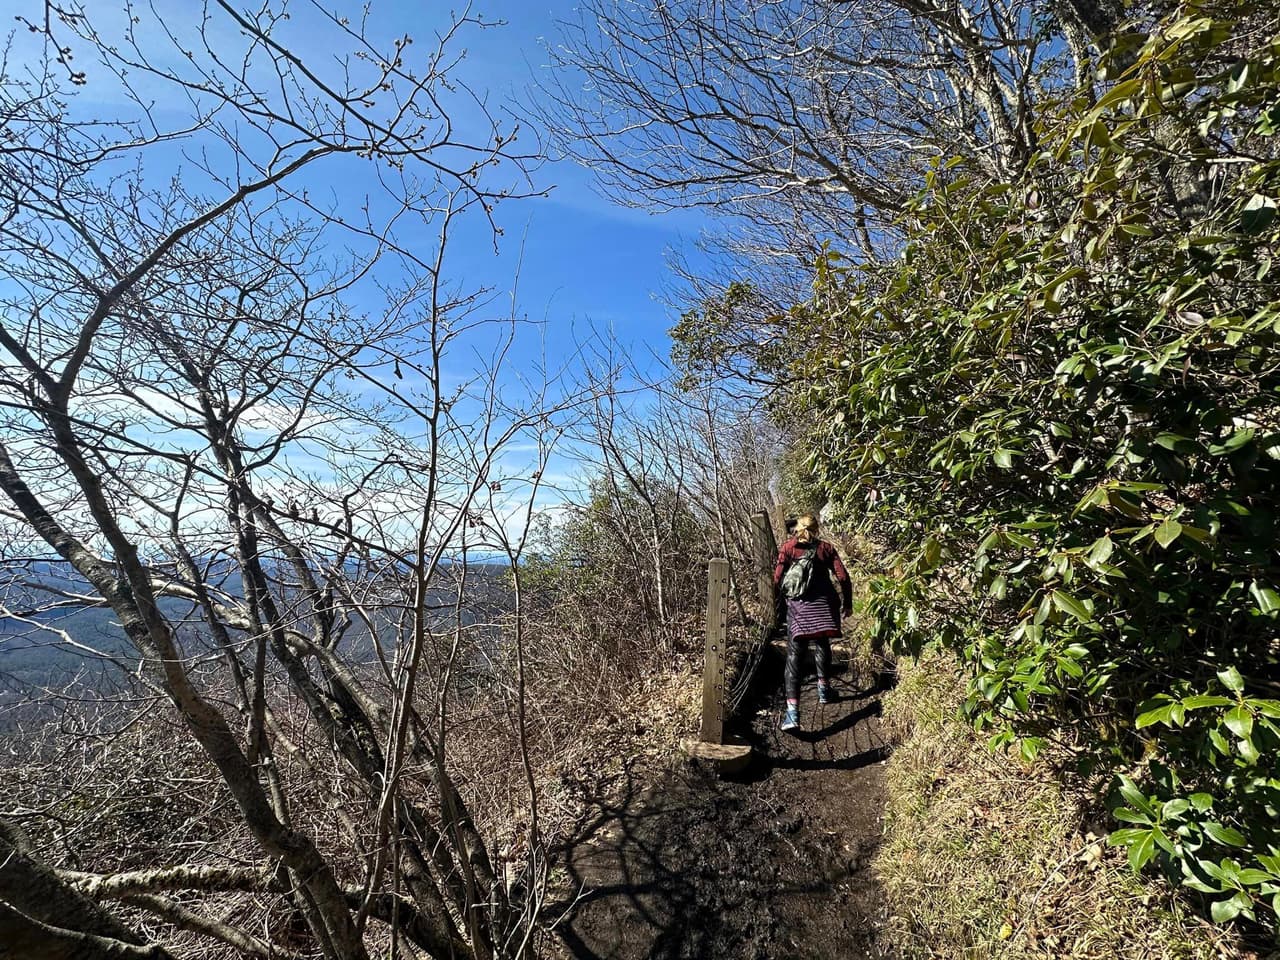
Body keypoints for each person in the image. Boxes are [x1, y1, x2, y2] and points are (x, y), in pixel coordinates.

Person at [773, 515, 852, 731]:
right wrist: (848, 604)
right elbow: (843, 577)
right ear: (817, 530)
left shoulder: (788, 548)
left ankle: (792, 714)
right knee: (822, 644)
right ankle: (824, 690)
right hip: (824, 607)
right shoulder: (825, 548)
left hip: (799, 611)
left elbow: (777, 579)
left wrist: (786, 600)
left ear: (797, 529)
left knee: (794, 657)